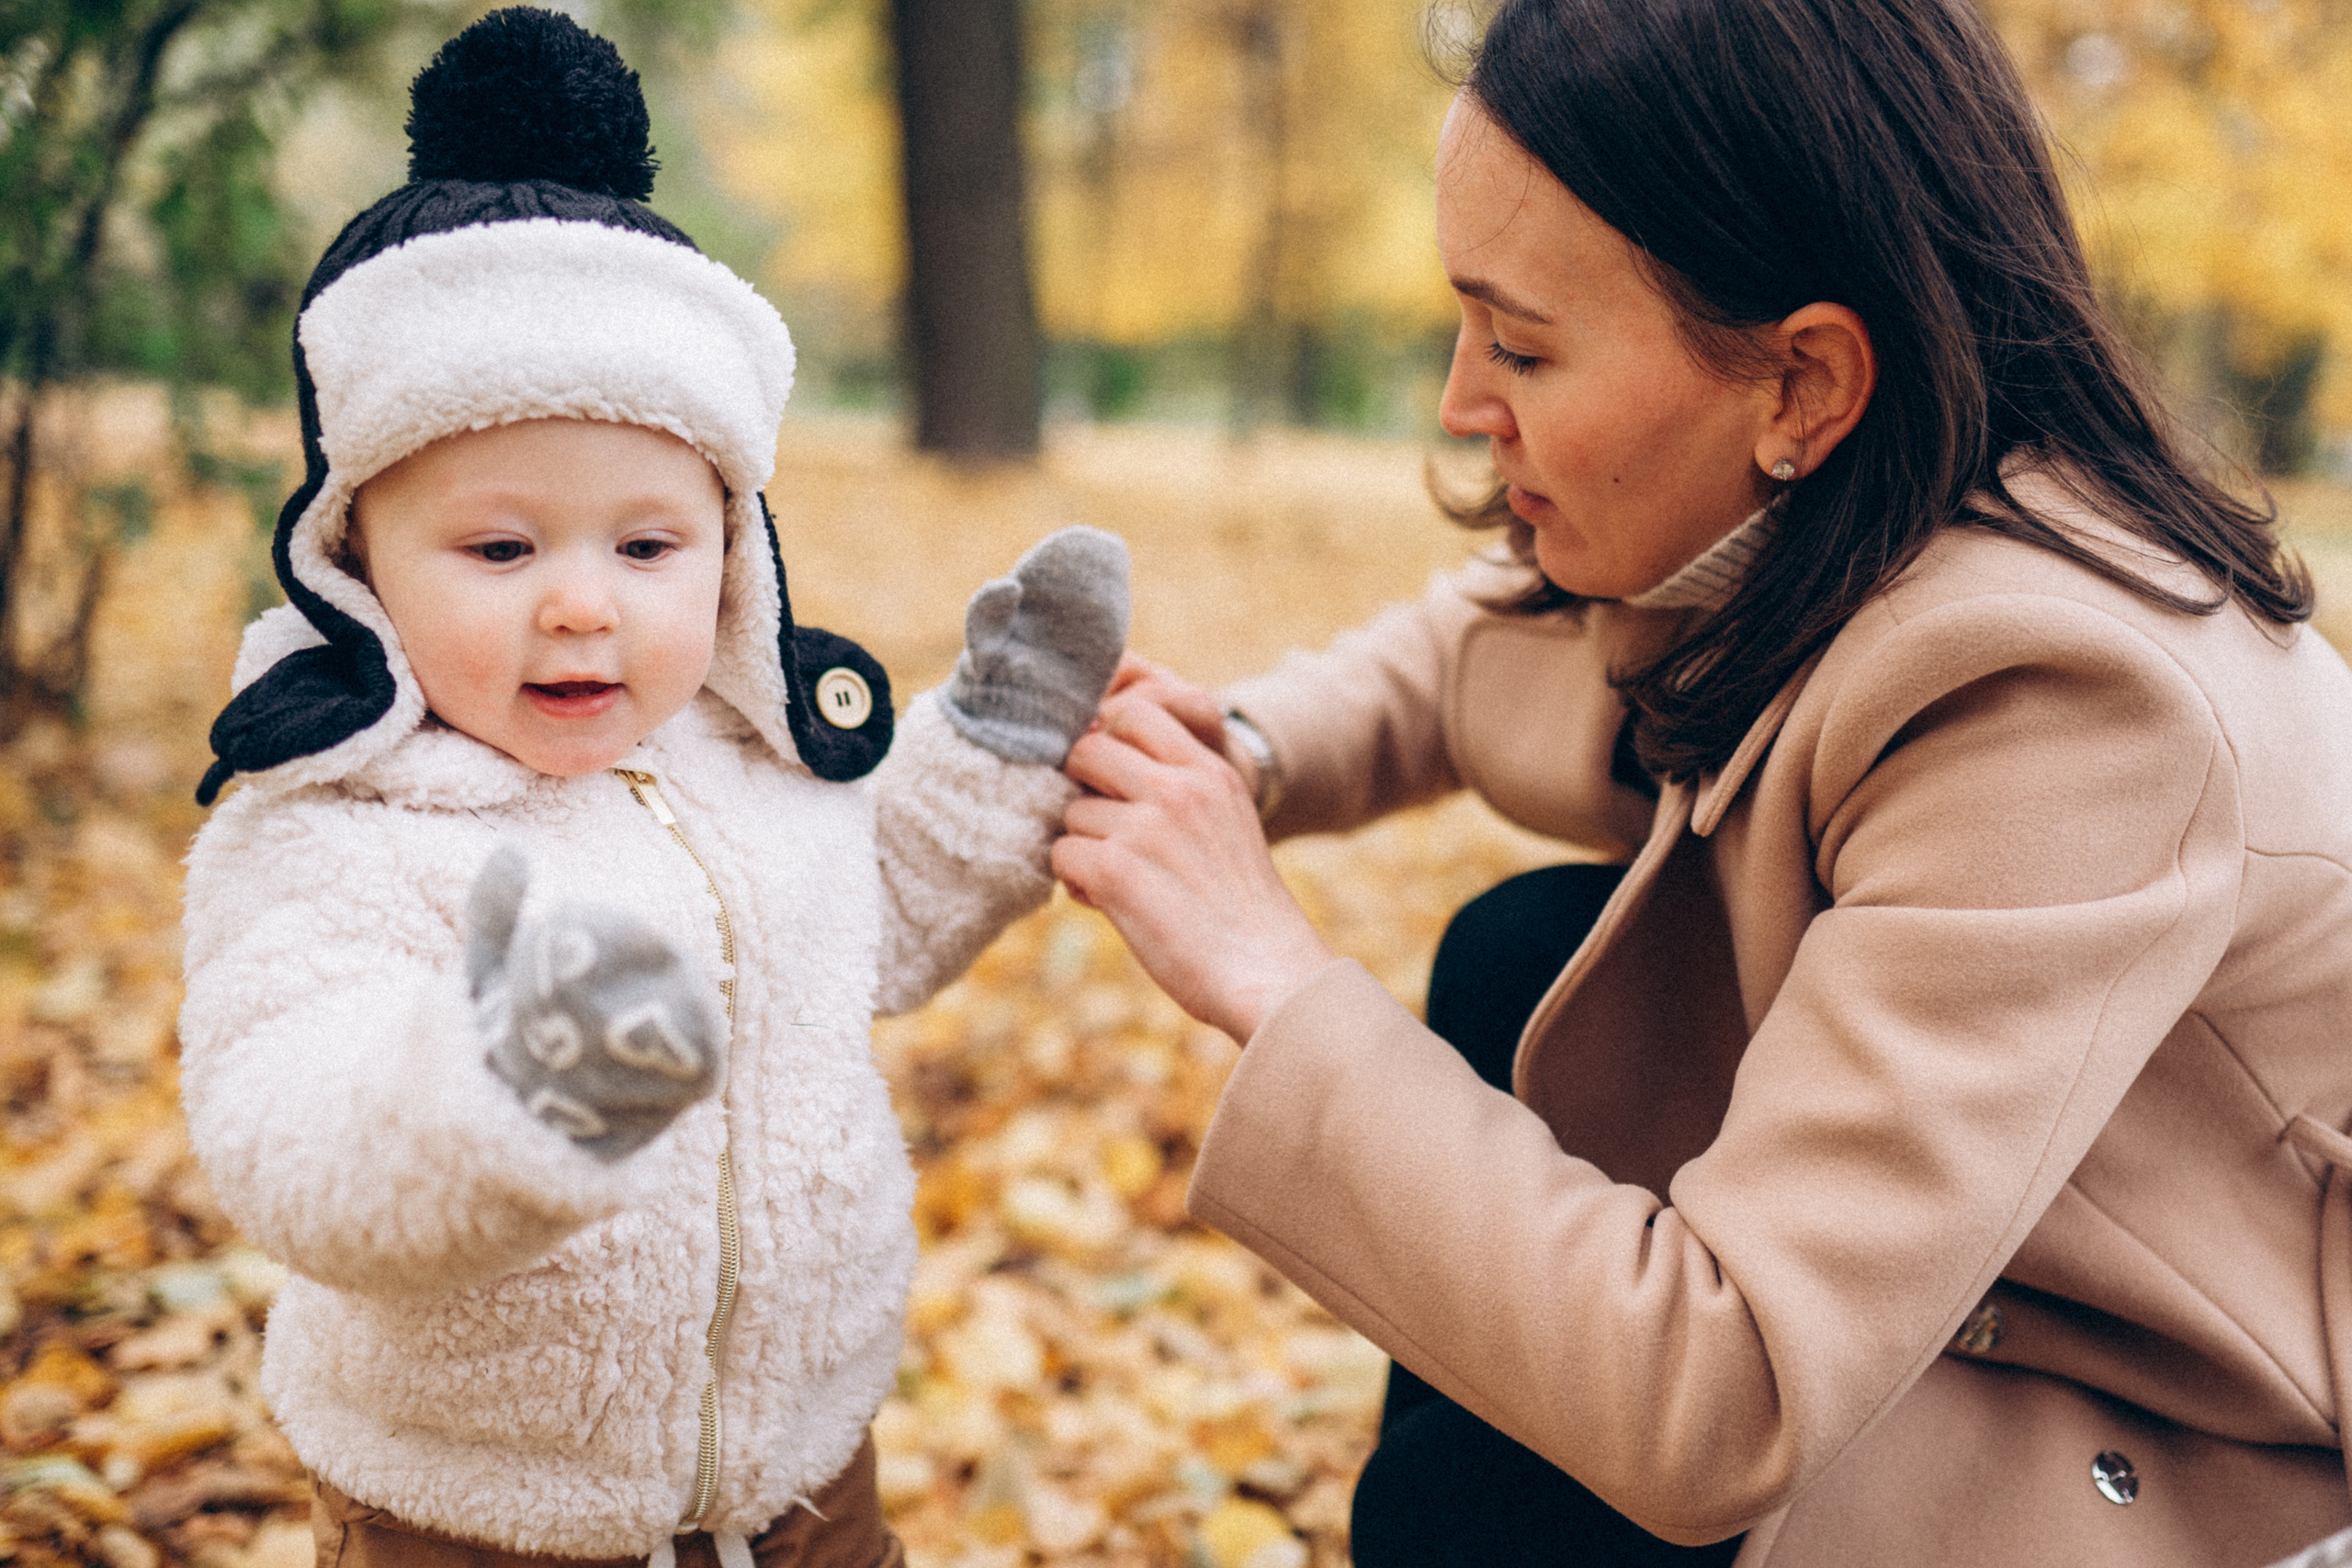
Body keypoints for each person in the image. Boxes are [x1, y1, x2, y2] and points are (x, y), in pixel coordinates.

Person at [1051, 0, 2352, 1562]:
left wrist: (1267, 971)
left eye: (1524, 343)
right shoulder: (1838, 505)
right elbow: (1485, 642)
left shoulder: (2062, 703)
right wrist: (1239, 754)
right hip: (1978, 1265)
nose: (1465, 400)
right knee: (1529, 957)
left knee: (1485, 1483)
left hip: (2184, 1415)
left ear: (1802, 382)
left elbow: (1721, 1398)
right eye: (1467, 323)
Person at [175, 12, 1127, 1568]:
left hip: (812, 1475)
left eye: (645, 546)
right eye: (500, 549)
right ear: (359, 560)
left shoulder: (747, 765)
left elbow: (877, 905)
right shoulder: (336, 828)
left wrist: (1001, 744)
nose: (582, 605)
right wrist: (496, 1090)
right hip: (483, 1517)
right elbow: (293, 1121)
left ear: (734, 554)